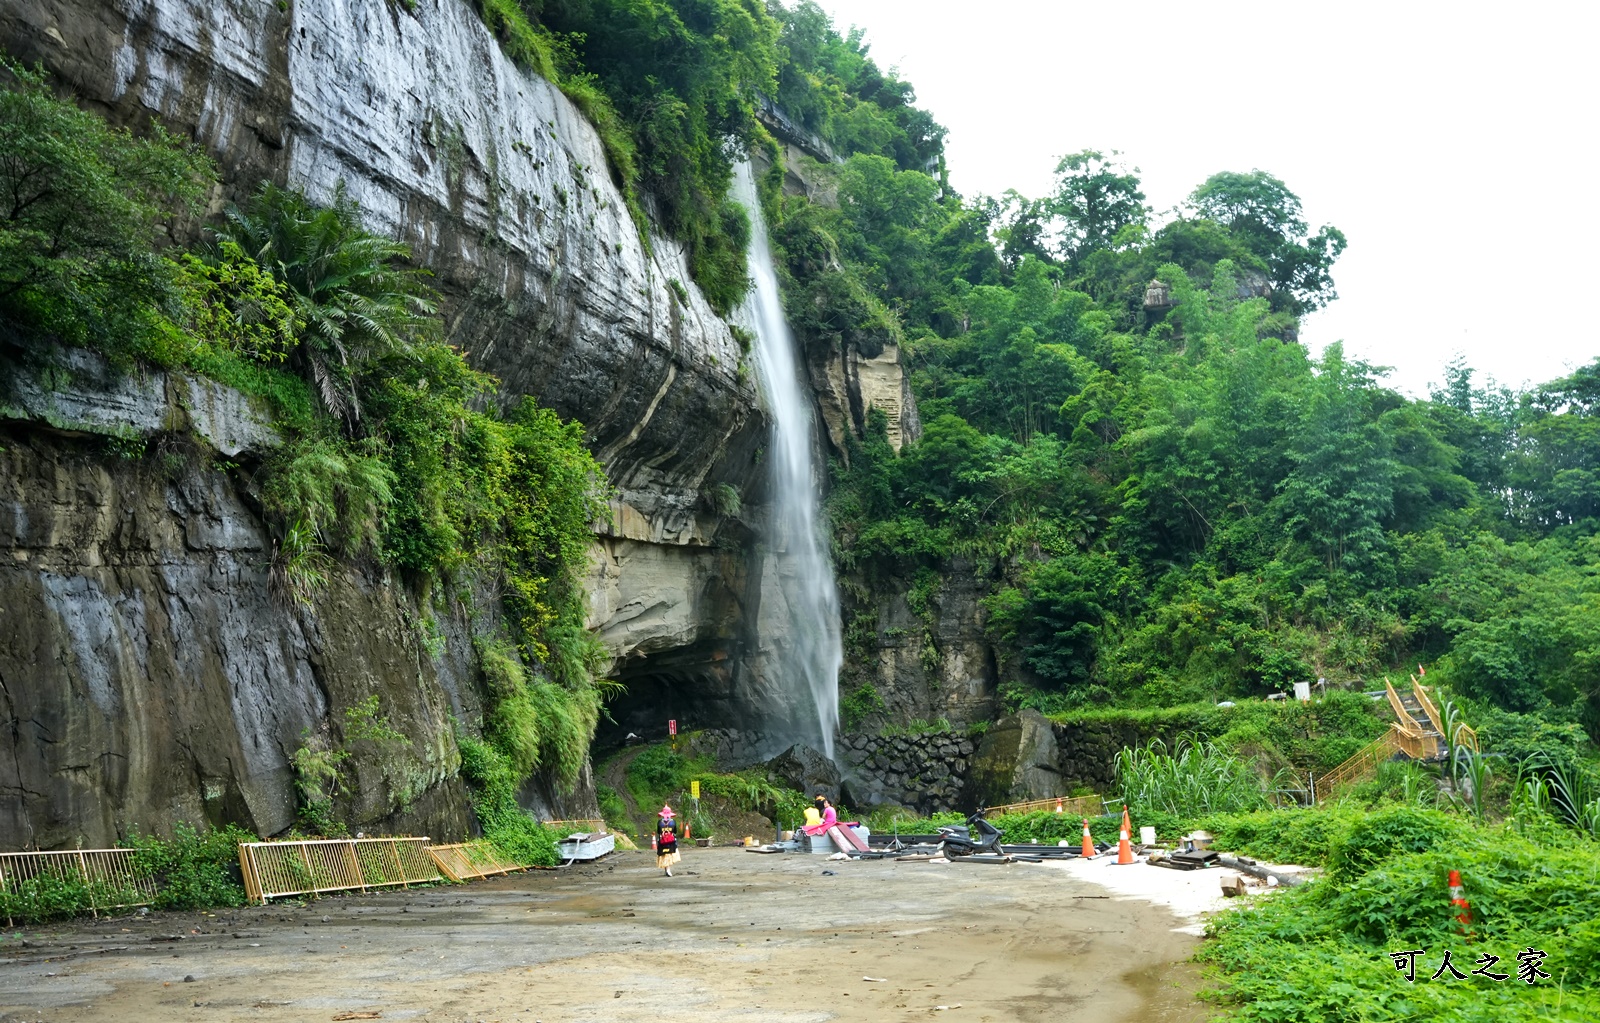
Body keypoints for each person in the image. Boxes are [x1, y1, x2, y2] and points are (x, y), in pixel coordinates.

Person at [654, 804, 681, 876]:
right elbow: (675, 831)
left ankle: (667, 869)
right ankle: (668, 870)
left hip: (662, 841)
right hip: (671, 840)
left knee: (664, 854)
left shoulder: (660, 822)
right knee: (670, 854)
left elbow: (658, 831)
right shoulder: (673, 822)